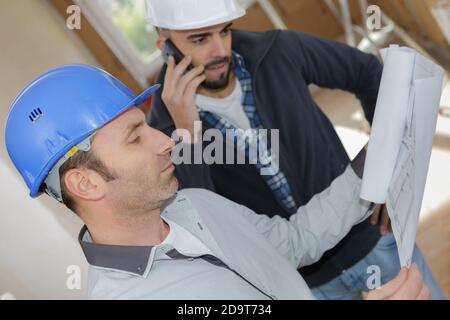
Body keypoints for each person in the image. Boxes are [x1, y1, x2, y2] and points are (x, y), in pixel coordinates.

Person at [4, 64, 430, 300]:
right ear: (87, 183)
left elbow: (294, 241)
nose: (166, 140)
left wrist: (369, 166)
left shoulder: (195, 206)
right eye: (136, 137)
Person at [145, 0, 445, 299]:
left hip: (370, 240)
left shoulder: (276, 51)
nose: (220, 50)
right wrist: (188, 134)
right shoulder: (162, 133)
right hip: (302, 285)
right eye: (199, 39)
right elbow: (204, 220)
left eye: (224, 31)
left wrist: (389, 176)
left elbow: (368, 72)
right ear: (165, 46)